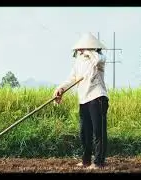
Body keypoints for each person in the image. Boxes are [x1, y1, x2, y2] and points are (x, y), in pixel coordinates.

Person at [53, 33, 109, 169]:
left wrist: (89, 52)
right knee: (85, 132)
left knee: (98, 132)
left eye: (81, 48)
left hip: (97, 98)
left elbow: (97, 60)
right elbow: (71, 78)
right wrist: (61, 88)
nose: (79, 51)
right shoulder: (78, 62)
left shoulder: (99, 58)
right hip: (84, 100)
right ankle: (86, 160)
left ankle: (99, 162)